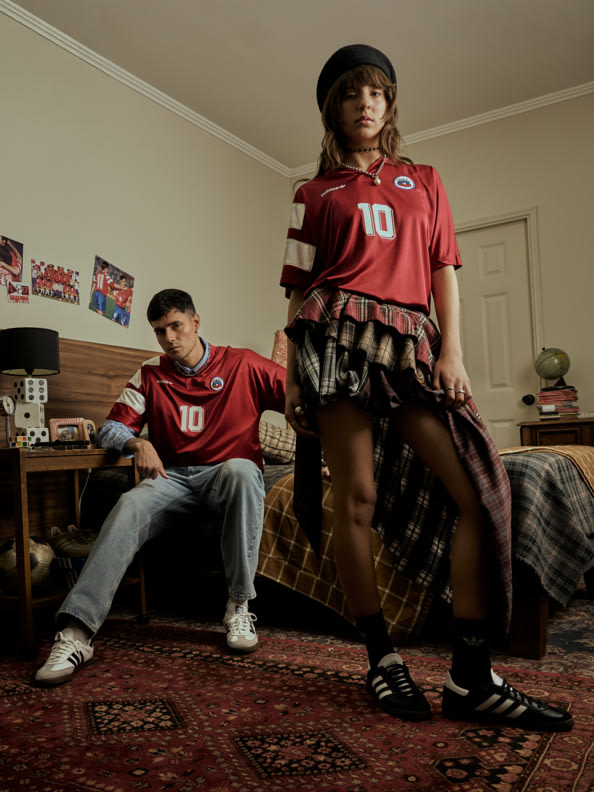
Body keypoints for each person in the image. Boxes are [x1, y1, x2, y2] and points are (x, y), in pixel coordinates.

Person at [280, 44, 573, 731]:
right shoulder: (311, 193)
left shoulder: (425, 179)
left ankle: (471, 675)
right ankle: (382, 659)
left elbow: (444, 269)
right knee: (355, 497)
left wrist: (455, 352)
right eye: (352, 93)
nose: (367, 103)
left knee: (477, 490)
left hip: (411, 343)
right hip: (338, 338)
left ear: (390, 104)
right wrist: (294, 376)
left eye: (378, 92)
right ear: (334, 107)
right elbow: (295, 294)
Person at [35, 288, 286, 686]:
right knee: (129, 504)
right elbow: (110, 430)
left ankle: (238, 606)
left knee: (241, 471)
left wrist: (322, 460)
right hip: (174, 479)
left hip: (227, 473)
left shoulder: (242, 363)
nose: (170, 338)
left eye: (176, 326)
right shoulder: (150, 373)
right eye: (159, 331)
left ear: (195, 322)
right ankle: (77, 633)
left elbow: (304, 403)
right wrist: (137, 442)